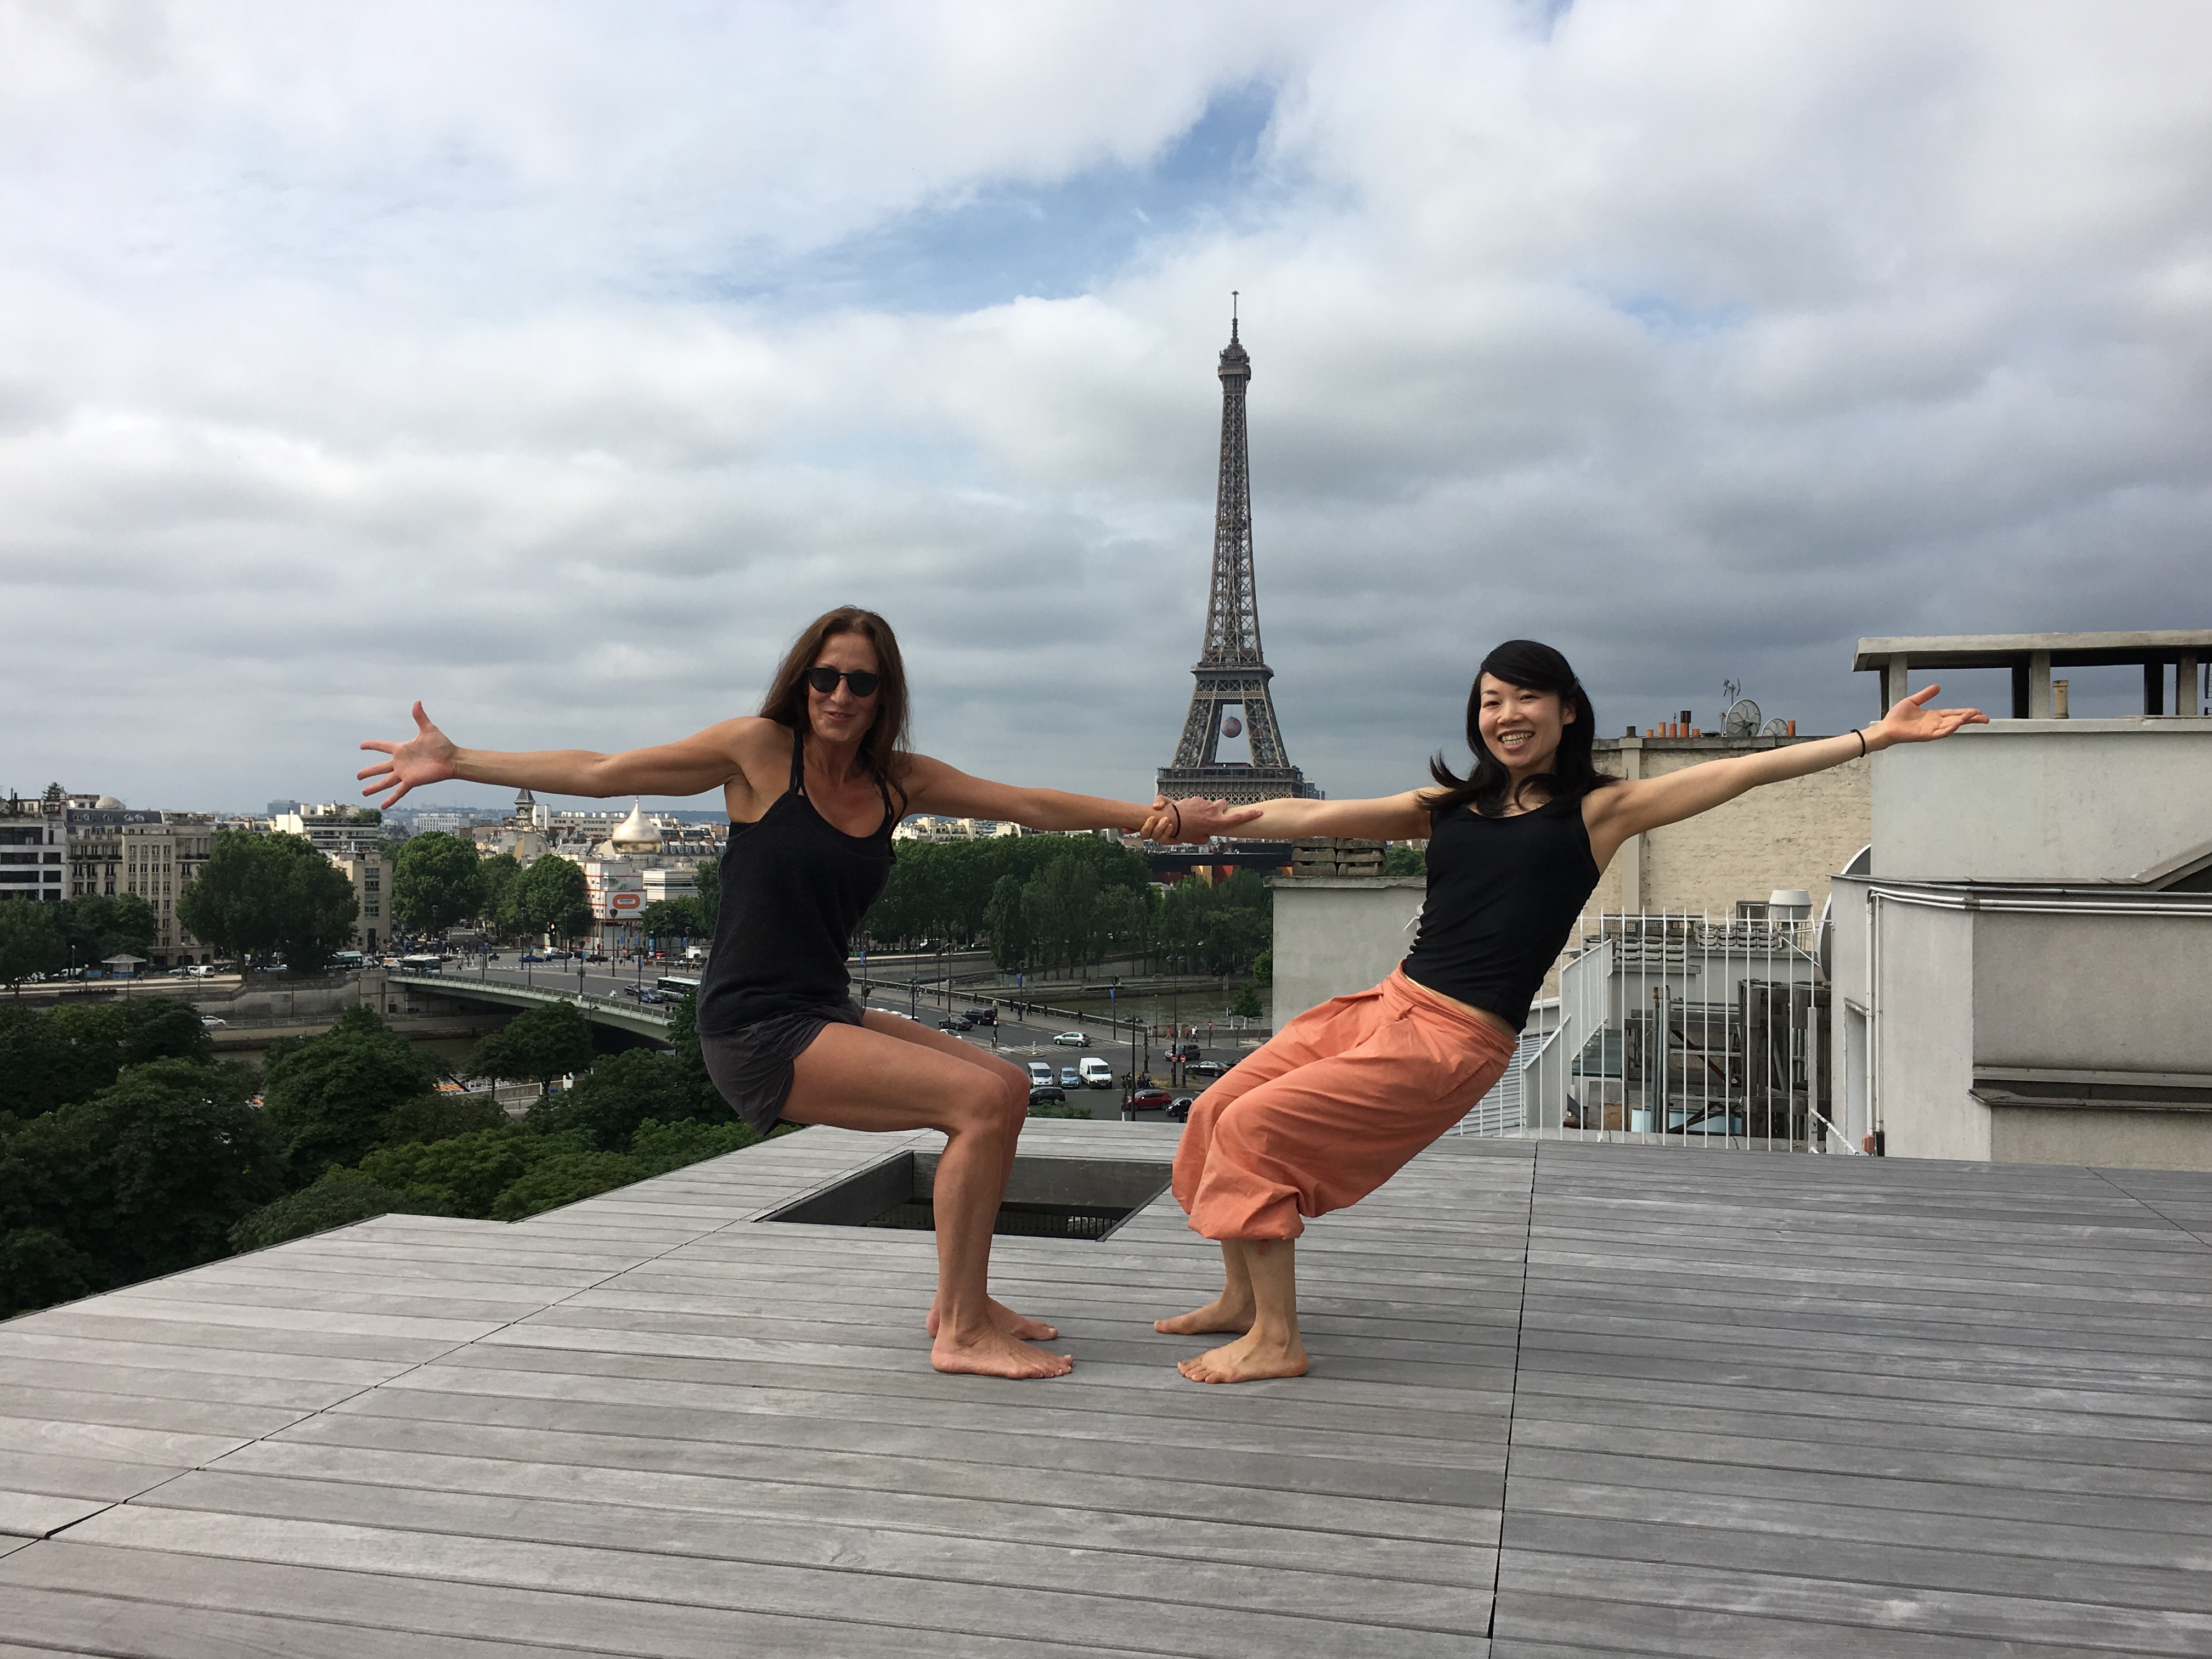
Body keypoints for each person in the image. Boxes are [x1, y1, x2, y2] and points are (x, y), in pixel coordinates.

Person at [360, 605, 1222, 1380]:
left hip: (823, 1008)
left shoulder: (899, 780)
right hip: (755, 1026)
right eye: (825, 676)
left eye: (861, 682)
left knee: (1005, 1085)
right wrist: (459, 761)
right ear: (802, 680)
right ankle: (961, 1329)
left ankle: (963, 1300)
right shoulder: (759, 752)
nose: (839, 694)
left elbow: (1027, 804)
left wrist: (1152, 817)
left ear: (884, 696)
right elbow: (606, 770)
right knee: (980, 1104)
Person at [1143, 639, 1987, 1385]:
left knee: (1257, 1128)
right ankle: (1241, 1298)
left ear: (1568, 710)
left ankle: (1278, 1339)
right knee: (1218, 1108)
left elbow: (1739, 773)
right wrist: (1198, 821)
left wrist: (1875, 736)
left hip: (1453, 1038)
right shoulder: (1450, 807)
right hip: (1385, 1004)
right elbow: (1316, 813)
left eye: (1526, 697)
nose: (1507, 715)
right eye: (1491, 701)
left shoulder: (1599, 811)